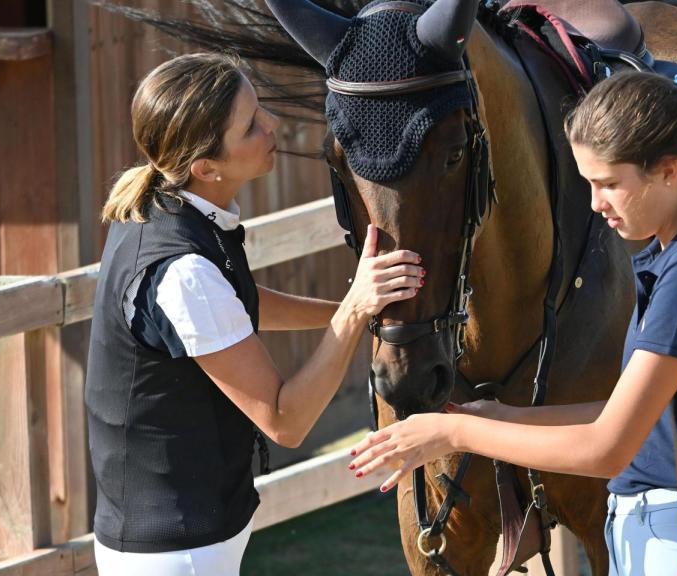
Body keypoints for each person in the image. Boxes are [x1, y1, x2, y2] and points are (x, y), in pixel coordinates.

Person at [349, 70, 677, 575]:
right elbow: (631, 414)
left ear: (669, 169)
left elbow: (608, 448)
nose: (597, 205)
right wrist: (500, 416)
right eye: (590, 185)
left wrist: (458, 435)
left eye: (609, 184)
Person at [85, 52, 425, 576]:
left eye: (259, 109)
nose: (272, 125)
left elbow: (237, 302)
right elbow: (286, 421)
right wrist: (355, 311)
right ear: (206, 167)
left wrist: (349, 308)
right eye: (250, 126)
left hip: (187, 539)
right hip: (177, 555)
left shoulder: (165, 209)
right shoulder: (183, 273)